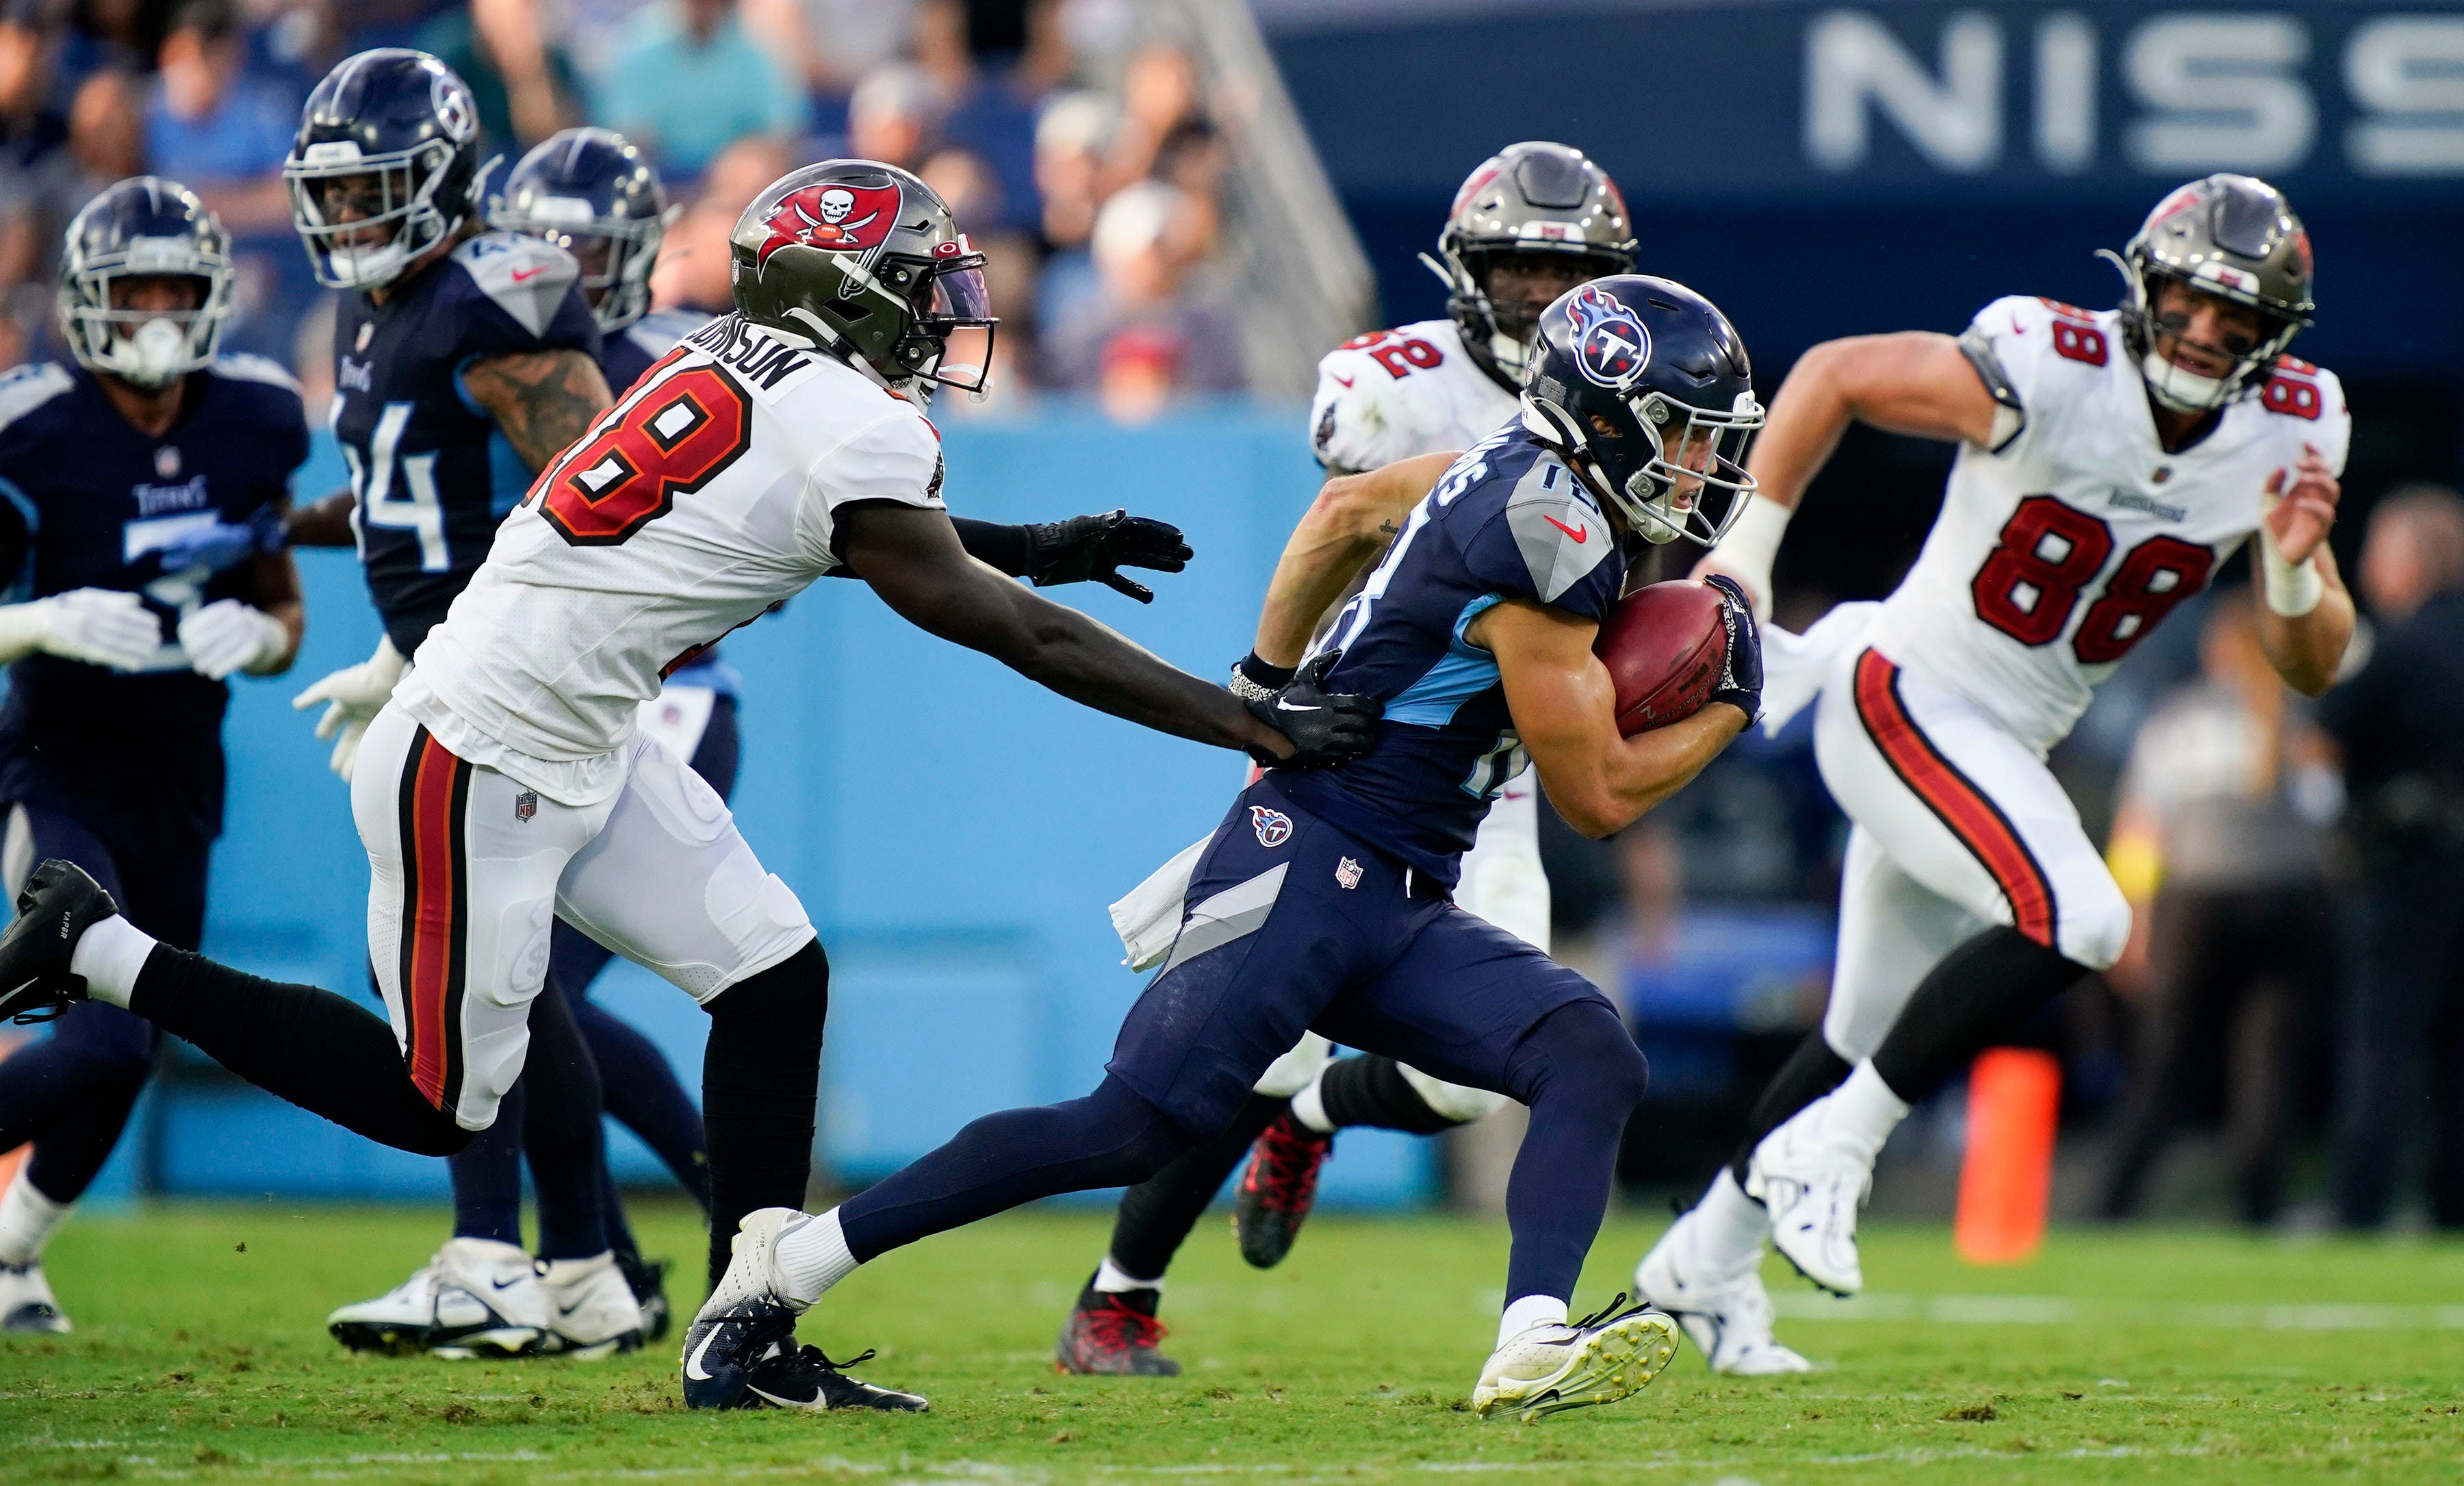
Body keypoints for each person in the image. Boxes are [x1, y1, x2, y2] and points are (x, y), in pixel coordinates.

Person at [0, 156, 1371, 1413]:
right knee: (439, 1104)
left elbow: (803, 519)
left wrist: (1028, 538)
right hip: (478, 754)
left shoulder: (737, 359)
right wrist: (1246, 716)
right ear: (840, 291)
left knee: (775, 973)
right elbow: (1012, 628)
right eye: (913, 289)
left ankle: (745, 1328)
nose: (935, 317)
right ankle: (104, 946)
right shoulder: (843, 419)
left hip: (579, 734)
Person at [682, 275, 1764, 1420]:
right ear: (1610, 416)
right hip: (1322, 858)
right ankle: (785, 1271)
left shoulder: (1514, 465)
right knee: (1128, 1126)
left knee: (1585, 1046)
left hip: (1390, 880)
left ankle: (1532, 1339)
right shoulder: (1552, 534)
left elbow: (1341, 517)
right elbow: (1594, 793)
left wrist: (1265, 688)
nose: (1702, 469)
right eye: (1687, 437)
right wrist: (1729, 706)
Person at [1634, 174, 2352, 1355]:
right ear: (2142, 286)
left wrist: (2288, 567)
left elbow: (2313, 662)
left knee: (1860, 1029)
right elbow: (1833, 375)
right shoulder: (2052, 359)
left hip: (2003, 741)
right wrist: (1745, 562)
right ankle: (1846, 1148)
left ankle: (1700, 1262)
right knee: (2083, 919)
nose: (2206, 333)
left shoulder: (2300, 424)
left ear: (2274, 339)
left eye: (2237, 319)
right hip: (1904, 692)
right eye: (2187, 300)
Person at [1050, 140, 1647, 1376]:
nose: (1539, 295)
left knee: (1478, 1083)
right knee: (1234, 1040)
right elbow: (1360, 539)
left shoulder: (1633, 390)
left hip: (1506, 774)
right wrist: (1266, 699)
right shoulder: (1392, 387)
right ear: (1466, 269)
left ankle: (1317, 1115)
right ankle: (1120, 1296)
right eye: (1517, 267)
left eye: (1566, 271)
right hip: (1359, 751)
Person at [0, 177, 307, 1333]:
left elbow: (280, 608)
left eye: (181, 289)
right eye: (136, 292)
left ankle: (12, 1255)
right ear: (86, 305)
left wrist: (266, 638)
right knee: (97, 1036)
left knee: (132, 1051)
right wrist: (39, 620)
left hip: (183, 775)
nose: (161, 314)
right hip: (57, 764)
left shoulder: (257, 417)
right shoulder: (32, 427)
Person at [2096, 588, 2334, 1225]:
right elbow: (2325, 813)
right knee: (2268, 1065)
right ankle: (2260, 1207)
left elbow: (2142, 827)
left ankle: (2114, 1202)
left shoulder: (2178, 717)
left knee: (2165, 1060)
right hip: (2288, 900)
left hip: (2197, 904)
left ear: (2216, 649)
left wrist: (2134, 917)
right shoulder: (2301, 718)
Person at [2317, 485, 2464, 1229]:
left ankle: (2360, 1204)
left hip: (2408, 865)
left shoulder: (2394, 647)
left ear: (2413, 560)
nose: (2369, 566)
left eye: (2378, 549)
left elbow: (2320, 740)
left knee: (2382, 1039)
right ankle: (2450, 1206)